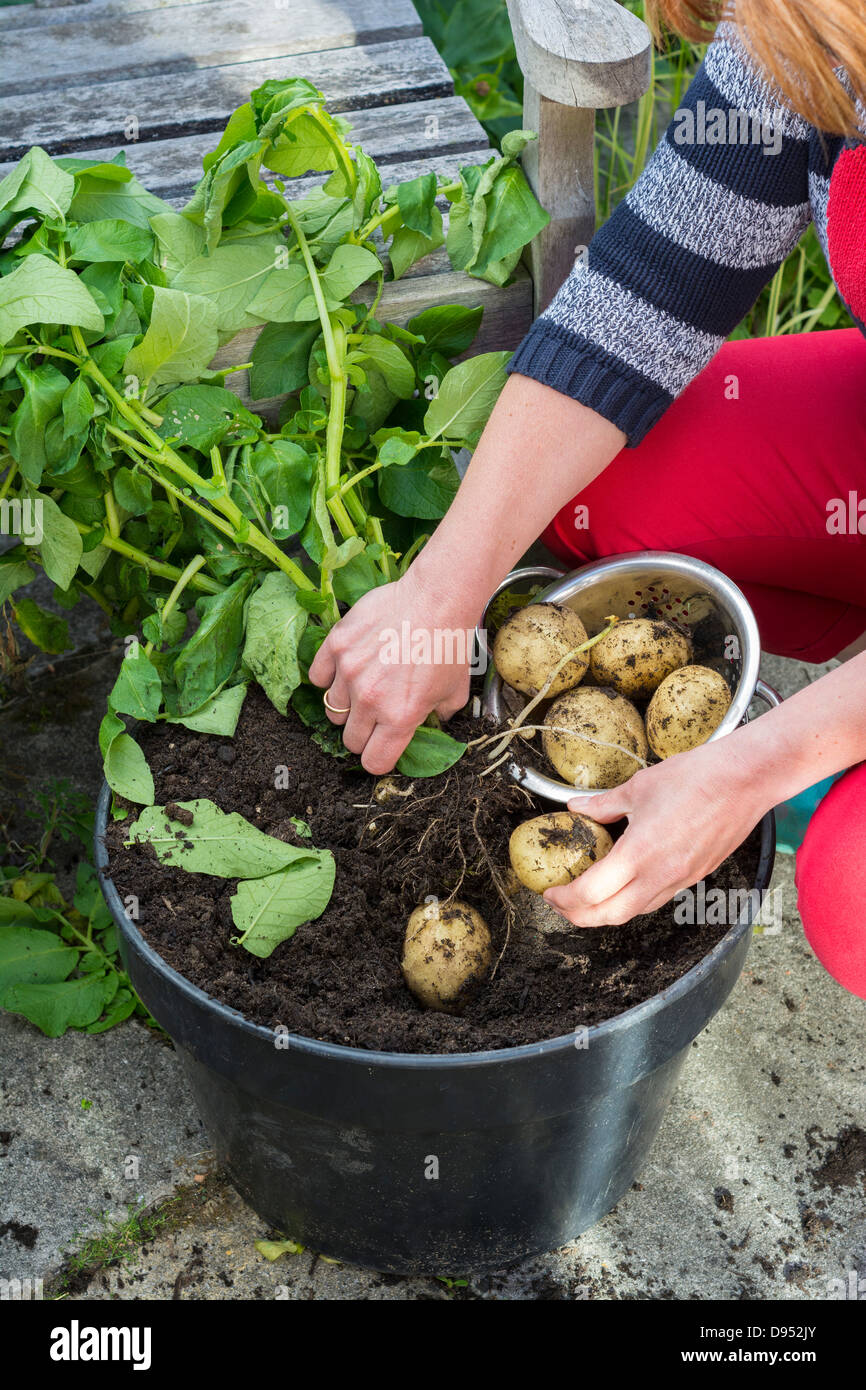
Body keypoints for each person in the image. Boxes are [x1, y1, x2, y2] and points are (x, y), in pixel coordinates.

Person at [310, 0, 866, 998]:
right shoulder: (802, 21)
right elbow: (647, 287)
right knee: (583, 488)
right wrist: (441, 591)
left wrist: (753, 768)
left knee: (852, 895)